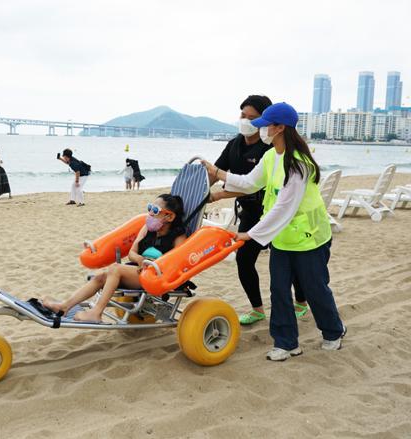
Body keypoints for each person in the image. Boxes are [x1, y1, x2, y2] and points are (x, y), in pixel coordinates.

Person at [202, 102, 346, 361]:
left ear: (280, 128)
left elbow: (284, 208)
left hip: (309, 239)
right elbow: (248, 184)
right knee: (279, 290)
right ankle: (286, 342)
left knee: (316, 290)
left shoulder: (298, 165)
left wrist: (249, 234)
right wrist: (217, 172)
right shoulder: (271, 156)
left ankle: (334, 332)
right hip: (282, 239)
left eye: (265, 125)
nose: (262, 130)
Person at [208, 95, 308, 325]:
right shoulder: (235, 143)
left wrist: (217, 195)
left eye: (252, 117)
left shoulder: (272, 147)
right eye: (243, 115)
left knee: (288, 260)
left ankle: (301, 302)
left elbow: (251, 186)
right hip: (251, 212)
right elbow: (219, 173)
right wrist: (196, 189)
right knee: (244, 260)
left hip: (276, 211)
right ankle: (257, 309)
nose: (245, 120)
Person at [43, 194, 186, 322]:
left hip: (156, 276)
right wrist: (140, 260)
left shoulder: (178, 237)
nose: (149, 214)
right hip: (138, 269)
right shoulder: (147, 229)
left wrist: (154, 265)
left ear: (170, 217)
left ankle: (96, 313)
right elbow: (132, 253)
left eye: (155, 211)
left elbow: (176, 262)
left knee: (115, 269)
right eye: (149, 208)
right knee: (100, 277)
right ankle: (64, 307)